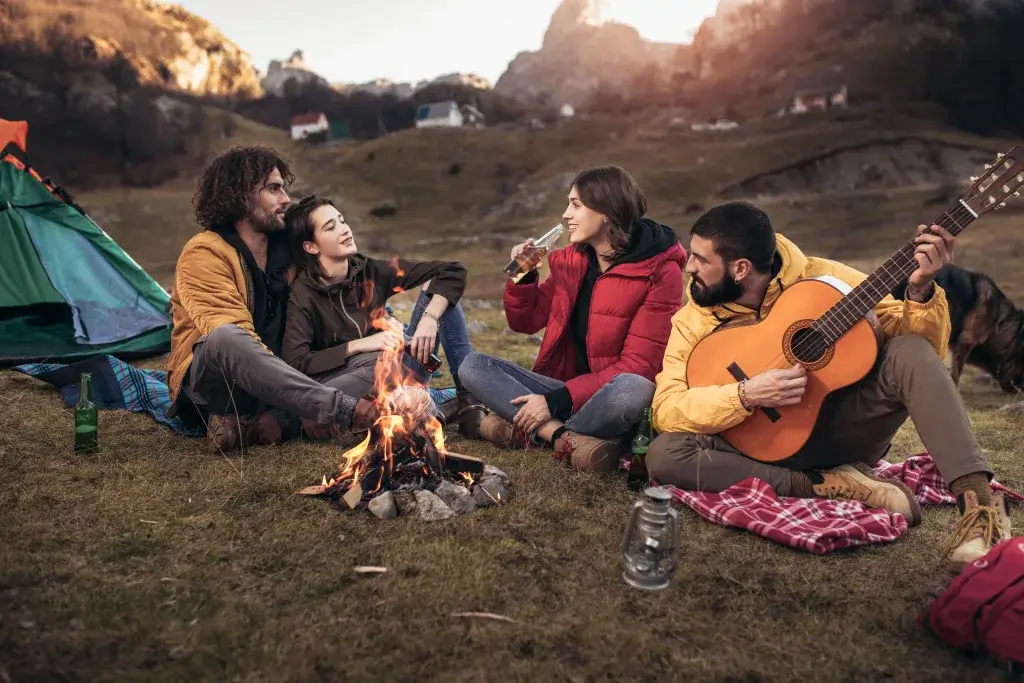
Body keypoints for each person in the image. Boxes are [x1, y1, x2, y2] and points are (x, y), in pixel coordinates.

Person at [647, 201, 1013, 569]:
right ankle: (823, 483)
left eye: (700, 259)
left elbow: (926, 355)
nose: (689, 267)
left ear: (740, 268)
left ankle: (979, 511)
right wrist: (745, 394)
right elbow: (666, 410)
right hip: (757, 447)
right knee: (664, 453)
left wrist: (919, 292)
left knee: (909, 350)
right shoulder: (693, 320)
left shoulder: (824, 278)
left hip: (842, 430)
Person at [458, 165, 687, 471]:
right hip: (563, 388)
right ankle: (563, 437)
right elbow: (525, 323)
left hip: (604, 398)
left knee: (635, 389)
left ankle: (531, 428)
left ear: (606, 211)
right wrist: (524, 279)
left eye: (576, 205)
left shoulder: (660, 271)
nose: (566, 214)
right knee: (473, 366)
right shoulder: (572, 261)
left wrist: (554, 402)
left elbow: (639, 366)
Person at [166, 147, 379, 452]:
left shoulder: (288, 246)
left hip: (286, 381)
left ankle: (269, 424)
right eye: (274, 189)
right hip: (220, 389)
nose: (285, 199)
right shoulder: (204, 254)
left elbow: (353, 272)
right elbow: (236, 347)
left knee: (386, 358)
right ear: (240, 196)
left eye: (283, 188)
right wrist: (320, 398)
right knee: (226, 337)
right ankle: (340, 408)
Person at [280, 193, 486, 436]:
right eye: (330, 227)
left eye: (342, 221)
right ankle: (426, 404)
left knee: (440, 296)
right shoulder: (303, 294)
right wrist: (358, 345)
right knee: (381, 365)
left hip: (395, 366)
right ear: (311, 246)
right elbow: (296, 362)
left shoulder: (369, 271)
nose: (344, 230)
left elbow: (451, 271)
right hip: (349, 381)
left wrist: (429, 319)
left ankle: (468, 402)